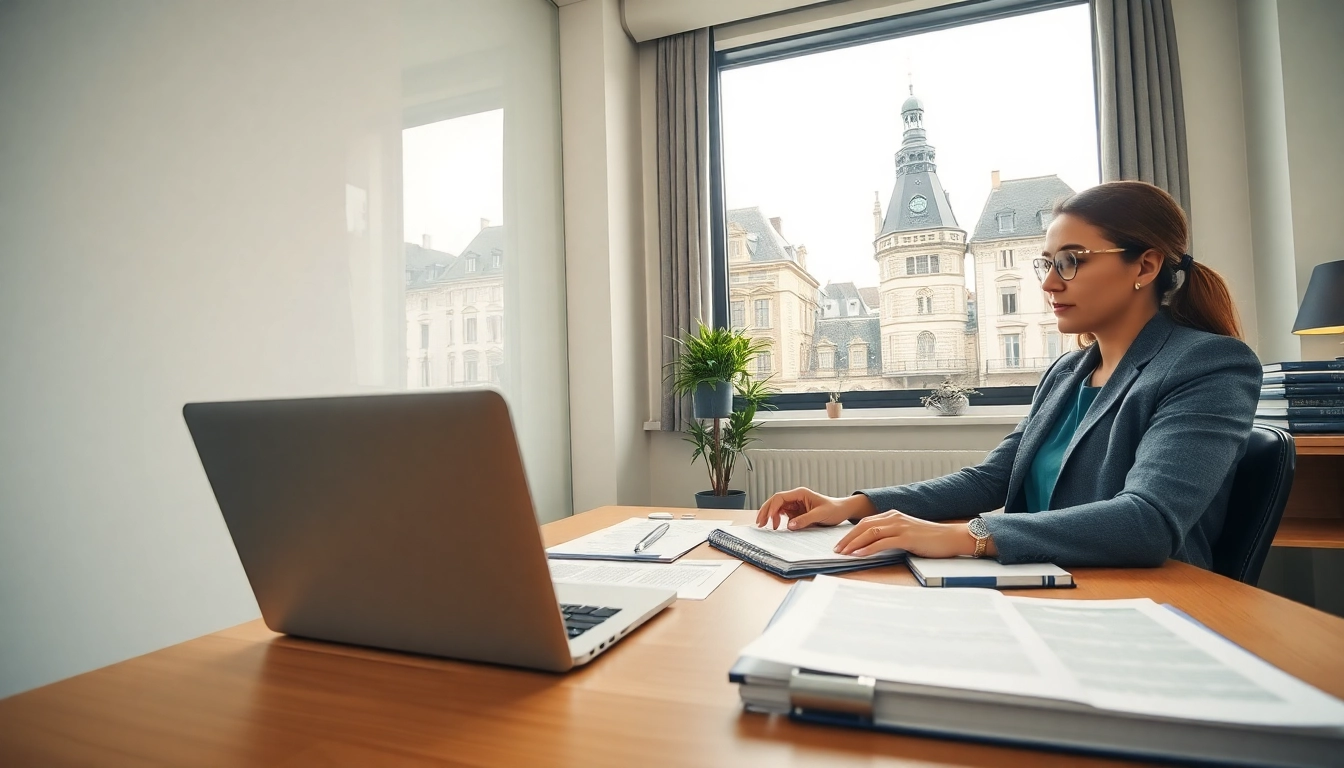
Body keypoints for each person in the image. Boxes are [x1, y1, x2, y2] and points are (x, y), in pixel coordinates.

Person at [756, 181, 1261, 569]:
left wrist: (968, 535)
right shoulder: (1067, 371)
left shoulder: (1208, 365)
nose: (1047, 282)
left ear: (1145, 266)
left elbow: (1146, 522)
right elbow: (993, 478)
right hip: (1040, 581)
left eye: (1071, 262)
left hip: (1139, 603)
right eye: (1047, 262)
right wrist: (853, 504)